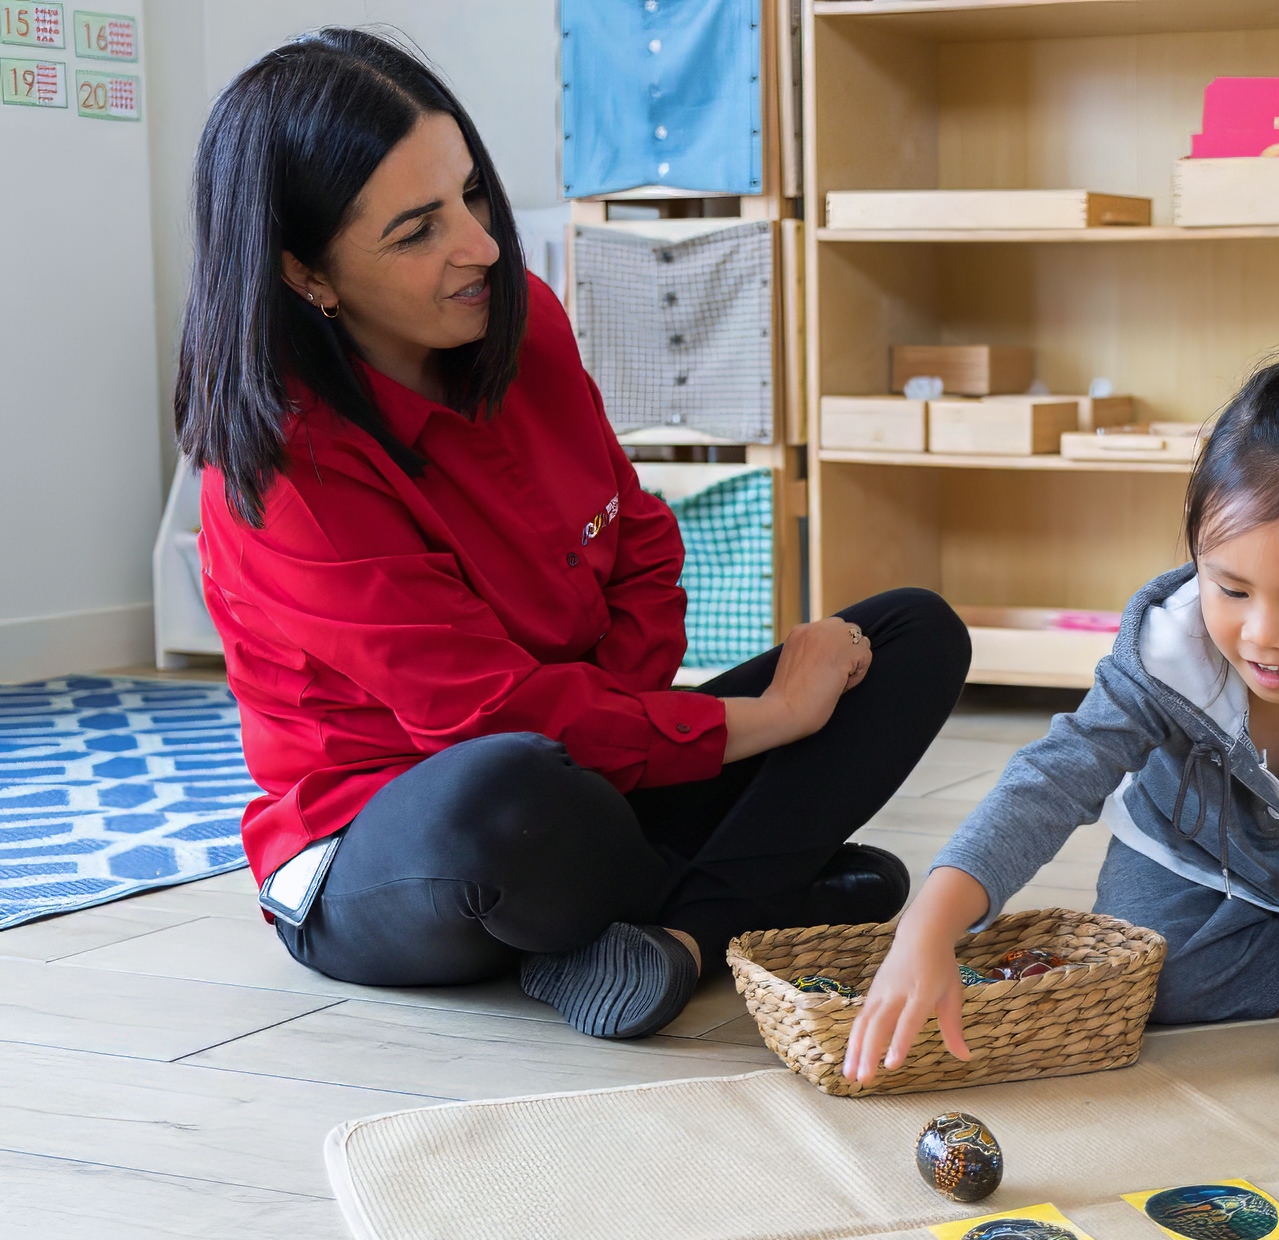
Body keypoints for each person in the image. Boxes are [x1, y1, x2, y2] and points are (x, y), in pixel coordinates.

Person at [177, 29, 968, 1041]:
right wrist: (770, 721)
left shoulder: (520, 317)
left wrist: (630, 727)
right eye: (417, 231)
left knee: (910, 635)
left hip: (591, 779)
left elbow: (639, 541)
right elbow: (488, 715)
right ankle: (748, 891)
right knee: (506, 795)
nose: (481, 246)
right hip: (407, 846)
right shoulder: (290, 470)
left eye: (471, 195)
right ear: (304, 271)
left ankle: (680, 936)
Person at [845, 358, 1279, 1092]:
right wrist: (927, 929)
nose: (1263, 635)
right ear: (1196, 553)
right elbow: (1053, 778)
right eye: (1231, 587)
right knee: (1154, 980)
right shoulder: (1166, 650)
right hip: (1193, 849)